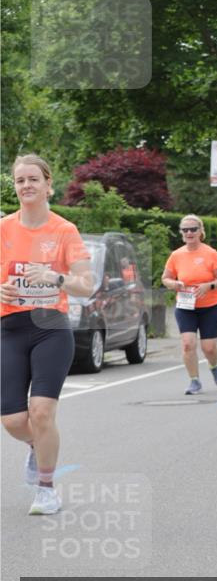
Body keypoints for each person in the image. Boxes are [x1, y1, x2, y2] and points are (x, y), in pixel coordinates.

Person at [1, 154, 94, 515]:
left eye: (33, 179)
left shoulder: (64, 231)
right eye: (20, 180)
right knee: (11, 421)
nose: (26, 185)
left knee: (41, 412)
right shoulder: (4, 228)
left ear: (48, 184)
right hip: (9, 328)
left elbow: (86, 285)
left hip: (50, 329)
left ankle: (45, 488)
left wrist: (56, 278)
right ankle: (35, 446)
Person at [162, 215, 217, 394]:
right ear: (181, 233)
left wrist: (209, 286)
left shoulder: (210, 253)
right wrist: (173, 284)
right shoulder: (176, 255)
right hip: (185, 306)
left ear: (200, 232)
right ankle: (194, 380)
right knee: (187, 344)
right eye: (185, 230)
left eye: (193, 229)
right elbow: (165, 278)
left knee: (209, 347)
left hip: (211, 306)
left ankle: (214, 366)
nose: (189, 233)